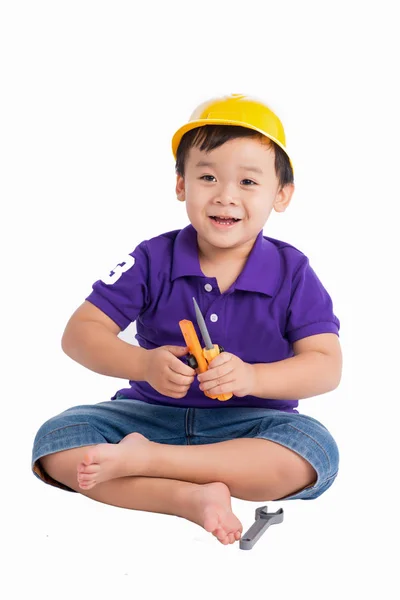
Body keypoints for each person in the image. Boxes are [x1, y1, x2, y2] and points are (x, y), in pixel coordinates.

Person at [31, 93, 342, 546]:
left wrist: (252, 377)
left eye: (248, 183)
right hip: (146, 416)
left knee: (315, 453)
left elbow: (326, 365)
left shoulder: (293, 272)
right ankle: (189, 499)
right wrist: (144, 365)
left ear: (281, 195)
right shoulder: (151, 258)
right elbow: (79, 334)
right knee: (55, 442)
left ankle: (150, 463)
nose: (225, 196)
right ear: (181, 185)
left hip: (249, 427)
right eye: (208, 177)